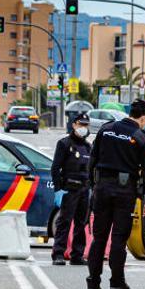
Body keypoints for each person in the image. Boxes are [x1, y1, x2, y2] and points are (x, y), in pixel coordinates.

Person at [85, 100, 145, 289]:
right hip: (125, 191)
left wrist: (93, 186)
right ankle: (117, 284)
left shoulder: (105, 130)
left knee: (99, 237)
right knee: (118, 238)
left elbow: (92, 160)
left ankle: (93, 283)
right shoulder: (140, 137)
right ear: (143, 117)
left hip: (102, 188)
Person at [51, 113, 93, 266]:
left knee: (81, 224)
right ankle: (58, 254)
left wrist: (91, 190)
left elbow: (92, 171)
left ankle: (77, 255)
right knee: (64, 222)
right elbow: (55, 168)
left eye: (86, 125)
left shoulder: (88, 147)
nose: (84, 128)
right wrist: (58, 189)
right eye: (81, 124)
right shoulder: (64, 144)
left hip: (84, 190)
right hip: (69, 189)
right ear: (74, 125)